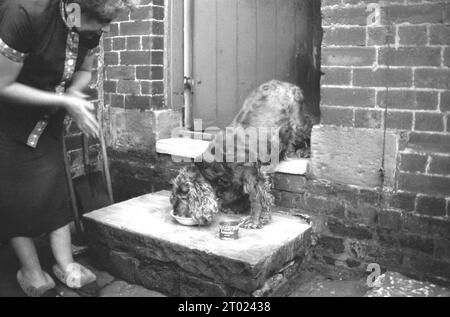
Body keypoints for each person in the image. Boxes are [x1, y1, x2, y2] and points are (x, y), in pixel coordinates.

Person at [0, 0, 138, 297]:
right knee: (13, 195)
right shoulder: (24, 13)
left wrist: (74, 97)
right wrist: (64, 102)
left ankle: (64, 263)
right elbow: (2, 84)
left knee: (54, 187)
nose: (102, 31)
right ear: (73, 9)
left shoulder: (91, 27)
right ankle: (31, 270)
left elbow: (85, 71)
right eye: (99, 24)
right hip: (6, 118)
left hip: (46, 118)